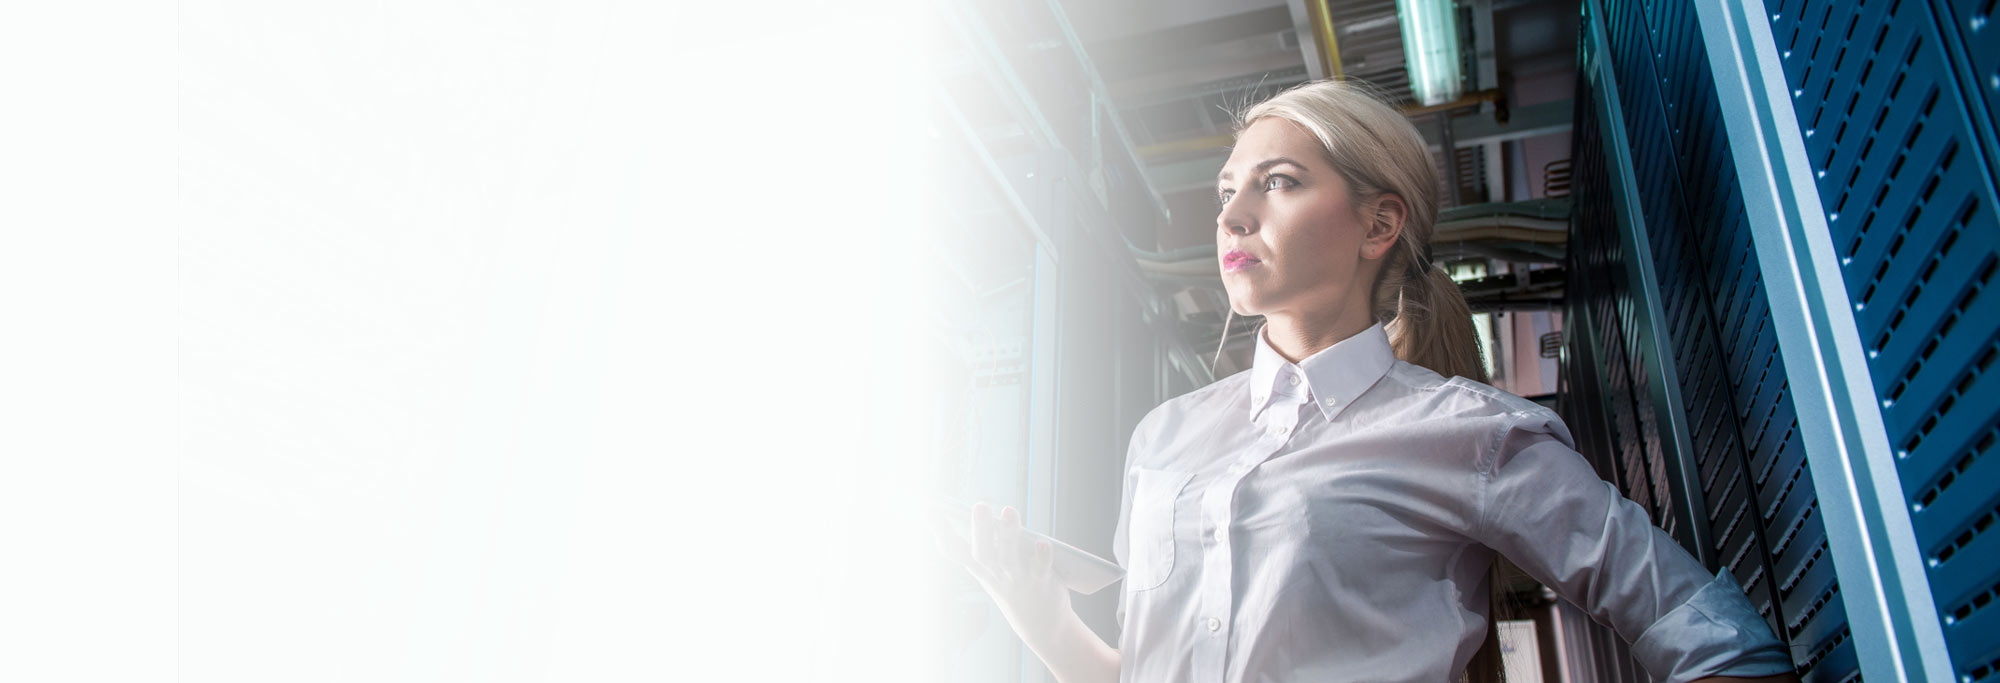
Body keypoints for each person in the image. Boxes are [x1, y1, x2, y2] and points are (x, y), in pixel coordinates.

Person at [935, 79, 1799, 683]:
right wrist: (1039, 614)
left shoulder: (1471, 435)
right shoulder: (1164, 436)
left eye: (1277, 183)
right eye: (1228, 191)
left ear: (1379, 222)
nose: (1233, 214)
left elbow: (1717, 642)